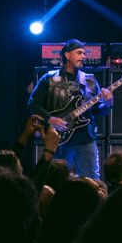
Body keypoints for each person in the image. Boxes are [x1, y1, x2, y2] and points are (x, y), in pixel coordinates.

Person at [28, 39, 113, 179]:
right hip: (59, 139)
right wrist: (51, 119)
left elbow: (97, 110)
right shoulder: (49, 78)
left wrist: (108, 103)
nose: (83, 56)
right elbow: (33, 104)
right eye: (79, 53)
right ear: (67, 55)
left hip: (85, 139)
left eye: (84, 53)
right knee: (55, 179)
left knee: (91, 180)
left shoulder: (89, 80)